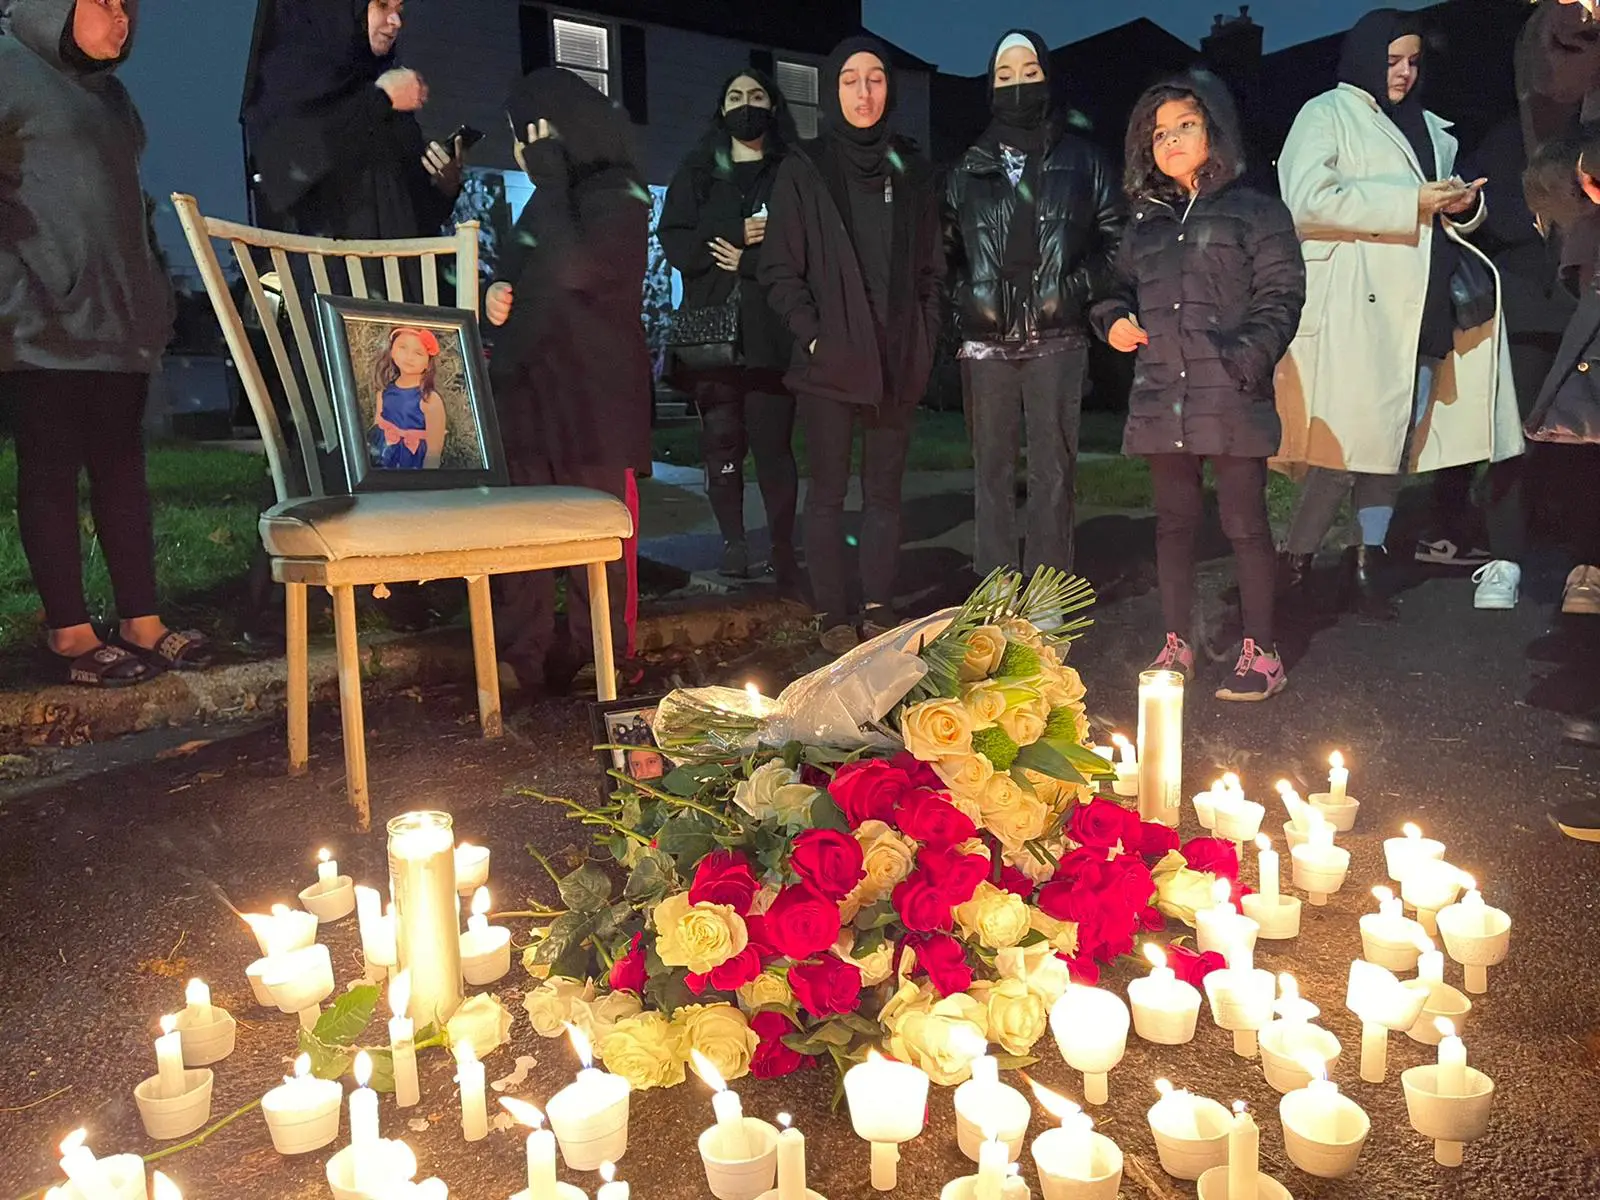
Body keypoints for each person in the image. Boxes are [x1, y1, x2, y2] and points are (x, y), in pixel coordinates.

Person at [1274, 9, 1523, 619]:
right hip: (1358, 310)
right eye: (1392, 60)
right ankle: (1296, 563)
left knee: (1391, 447)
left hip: (1422, 306)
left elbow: (1445, 215)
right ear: (1365, 56)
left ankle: (1367, 561)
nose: (1405, 72)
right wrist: (1410, 200)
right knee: (1343, 449)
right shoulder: (1325, 114)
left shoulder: (1434, 130)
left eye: (1413, 60)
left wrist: (1464, 207)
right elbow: (1304, 200)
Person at [0, 0, 211, 686]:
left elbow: (128, 202)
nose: (122, 19)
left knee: (123, 471)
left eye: (129, 6)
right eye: (104, 2)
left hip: (118, 323)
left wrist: (151, 290)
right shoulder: (9, 71)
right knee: (52, 471)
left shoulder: (114, 98)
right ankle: (69, 632)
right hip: (41, 324)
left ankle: (140, 620)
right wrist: (23, 286)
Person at [1090, 73, 1305, 700]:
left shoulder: (1255, 209)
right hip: (1163, 395)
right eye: (1159, 132)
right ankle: (1176, 643)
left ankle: (1261, 651)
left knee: (1243, 523)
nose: (1172, 140)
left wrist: (1244, 360)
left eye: (1186, 125)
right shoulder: (1146, 225)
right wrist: (1114, 322)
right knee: (1174, 523)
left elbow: (1282, 293)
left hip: (1232, 392)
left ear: (1214, 129)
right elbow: (1109, 289)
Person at [759, 36, 945, 653]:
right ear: (831, 90)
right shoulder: (804, 168)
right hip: (829, 364)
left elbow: (930, 272)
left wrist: (922, 339)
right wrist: (814, 339)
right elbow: (779, 271)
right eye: (849, 81)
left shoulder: (911, 171)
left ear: (889, 89)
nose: (863, 94)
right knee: (830, 493)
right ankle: (834, 613)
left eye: (874, 80)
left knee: (885, 493)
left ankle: (877, 605)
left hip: (896, 362)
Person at [484, 69, 652, 696]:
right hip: (531, 390)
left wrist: (552, 180)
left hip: (594, 399)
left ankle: (600, 651)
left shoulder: (622, 191)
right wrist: (496, 296)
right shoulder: (543, 197)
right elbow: (523, 271)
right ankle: (519, 653)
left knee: (598, 534)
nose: (518, 151)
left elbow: (579, 269)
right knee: (523, 530)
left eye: (521, 135)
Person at [944, 29, 1125, 576]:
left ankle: (1047, 600)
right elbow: (943, 254)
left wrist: (1071, 290)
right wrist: (967, 304)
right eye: (1004, 75)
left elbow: (1119, 242)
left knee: (1053, 473)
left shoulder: (1085, 161)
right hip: (985, 345)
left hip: (1057, 340)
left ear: (1046, 77)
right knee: (991, 476)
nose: (1017, 84)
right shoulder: (966, 169)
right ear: (989, 86)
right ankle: (994, 596)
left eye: (1029, 72)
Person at [657, 69, 800, 582]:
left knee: (773, 446)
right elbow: (676, 243)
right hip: (711, 335)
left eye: (756, 95)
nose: (746, 104)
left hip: (771, 334)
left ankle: (782, 546)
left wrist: (750, 260)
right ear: (720, 109)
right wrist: (733, 232)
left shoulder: (791, 169)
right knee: (721, 442)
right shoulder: (697, 169)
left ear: (773, 106)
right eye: (735, 95)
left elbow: (808, 245)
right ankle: (734, 543)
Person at [242, 0, 464, 244]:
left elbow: (413, 222)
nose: (396, 22)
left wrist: (445, 187)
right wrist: (379, 99)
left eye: (399, 10)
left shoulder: (386, 89)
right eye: (382, 5)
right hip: (330, 275)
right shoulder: (293, 80)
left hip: (401, 277)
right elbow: (286, 174)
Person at [371, 327, 445, 470]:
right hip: (383, 454)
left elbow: (434, 451)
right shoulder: (384, 391)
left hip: (411, 460)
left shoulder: (430, 400)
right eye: (402, 347)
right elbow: (376, 427)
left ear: (428, 363)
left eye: (418, 353)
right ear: (391, 350)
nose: (409, 357)